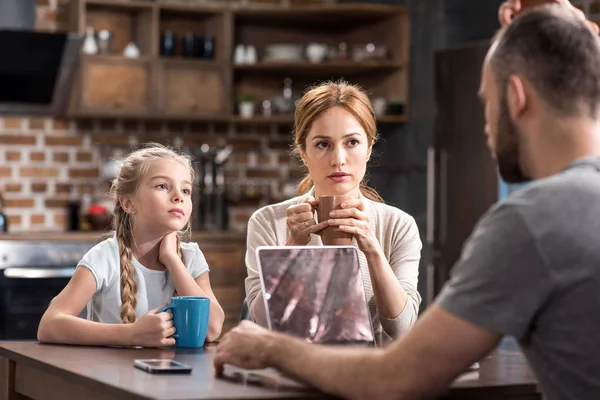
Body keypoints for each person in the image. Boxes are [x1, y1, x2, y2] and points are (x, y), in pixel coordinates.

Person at [214, 4, 600, 399]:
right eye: (323, 145)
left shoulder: (531, 221)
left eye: (486, 103)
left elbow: (399, 374)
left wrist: (270, 348)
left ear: (516, 98)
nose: (485, 125)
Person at [244, 80, 422, 340]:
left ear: (369, 148)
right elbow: (261, 323)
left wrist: (372, 249)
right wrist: (294, 247)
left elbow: (402, 329)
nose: (338, 159)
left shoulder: (399, 225)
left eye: (351, 142)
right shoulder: (269, 221)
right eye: (323, 144)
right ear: (303, 152)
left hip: (373, 373)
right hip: (295, 368)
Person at [37, 144, 225, 347]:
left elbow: (212, 329)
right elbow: (49, 325)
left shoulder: (191, 257)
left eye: (186, 190)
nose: (179, 196)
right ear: (128, 203)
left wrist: (172, 259)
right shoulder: (105, 257)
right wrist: (131, 334)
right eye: (162, 186)